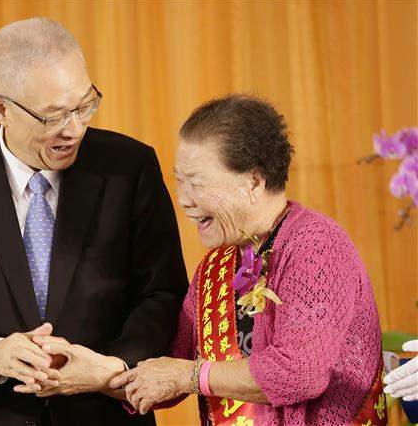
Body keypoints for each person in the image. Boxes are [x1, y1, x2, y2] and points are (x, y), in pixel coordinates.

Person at [0, 18, 187, 426]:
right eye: (52, 116)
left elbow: (164, 294)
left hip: (103, 414)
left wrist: (111, 368)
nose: (74, 129)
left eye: (84, 105)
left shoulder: (129, 168)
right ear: (1, 110)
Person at [110, 94, 387, 425]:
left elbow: (301, 372)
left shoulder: (317, 246)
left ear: (253, 182)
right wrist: (95, 372)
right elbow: (169, 368)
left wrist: (188, 375)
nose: (183, 200)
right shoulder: (215, 265)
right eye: (180, 181)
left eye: (196, 183)